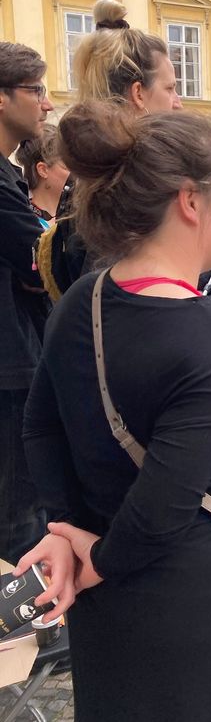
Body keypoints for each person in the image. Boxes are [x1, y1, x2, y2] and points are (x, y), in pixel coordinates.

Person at [14, 102, 211, 722]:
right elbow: (165, 506)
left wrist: (68, 531)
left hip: (111, 605)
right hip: (196, 601)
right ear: (190, 201)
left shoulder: (85, 298)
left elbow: (40, 427)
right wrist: (93, 557)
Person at [38, 0, 183, 300]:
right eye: (170, 89)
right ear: (138, 94)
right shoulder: (131, 181)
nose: (177, 102)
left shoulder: (90, 172)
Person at [0, 41, 54, 564]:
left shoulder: (7, 178)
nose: (46, 103)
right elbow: (41, 266)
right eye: (36, 90)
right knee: (19, 514)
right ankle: (21, 631)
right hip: (10, 366)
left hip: (16, 358)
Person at [15, 124, 69, 229]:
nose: (77, 172)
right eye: (68, 166)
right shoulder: (23, 222)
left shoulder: (79, 211)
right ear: (43, 170)